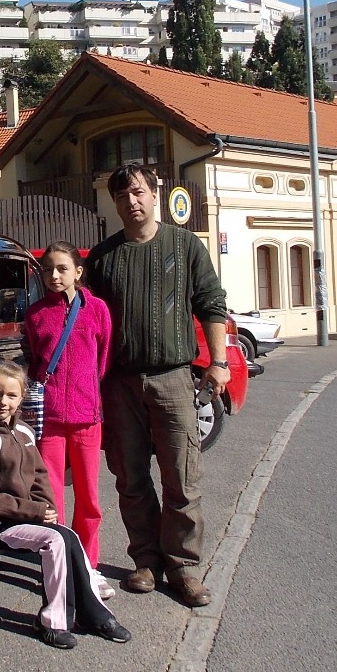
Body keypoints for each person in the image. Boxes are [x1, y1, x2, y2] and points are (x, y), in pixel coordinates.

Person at [85, 163, 229, 608]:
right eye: (122, 196)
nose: (131, 201)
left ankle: (184, 568)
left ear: (154, 193)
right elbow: (87, 321)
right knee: (130, 477)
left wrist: (219, 362)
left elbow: (212, 303)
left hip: (172, 379)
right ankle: (146, 561)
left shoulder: (185, 246)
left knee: (182, 478)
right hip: (120, 382)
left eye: (138, 192)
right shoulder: (103, 257)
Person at [0, 360, 132, 649]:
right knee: (54, 542)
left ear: (22, 397)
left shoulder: (25, 432)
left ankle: (93, 613)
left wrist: (47, 509)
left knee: (69, 536)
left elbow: (40, 476)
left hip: (24, 517)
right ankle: (51, 622)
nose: (3, 402)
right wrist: (35, 511)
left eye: (11, 395)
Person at [24, 241, 115, 600]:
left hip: (87, 418)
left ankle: (89, 566)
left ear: (78, 271)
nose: (54, 275)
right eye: (47, 269)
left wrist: (86, 392)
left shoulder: (97, 310)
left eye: (62, 268)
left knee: (89, 498)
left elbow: (103, 359)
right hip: (48, 420)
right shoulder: (35, 314)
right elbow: (35, 359)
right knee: (51, 501)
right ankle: (58, 567)